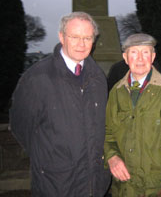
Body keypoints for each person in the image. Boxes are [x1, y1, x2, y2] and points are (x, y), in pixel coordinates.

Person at [10, 12, 111, 197]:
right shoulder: (37, 78)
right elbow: (21, 126)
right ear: (61, 37)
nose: (81, 44)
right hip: (56, 185)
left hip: (94, 184)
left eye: (87, 38)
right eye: (74, 37)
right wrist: (50, 160)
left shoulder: (98, 78)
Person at [104, 33, 161, 196]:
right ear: (125, 58)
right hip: (124, 188)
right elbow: (108, 133)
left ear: (153, 56)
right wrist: (112, 156)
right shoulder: (116, 92)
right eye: (134, 52)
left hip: (159, 188)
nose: (140, 59)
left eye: (145, 52)